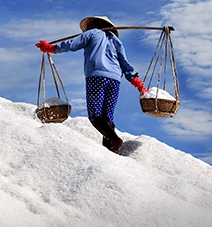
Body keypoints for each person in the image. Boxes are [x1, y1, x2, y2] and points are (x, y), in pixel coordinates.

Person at [35, 16, 147, 153]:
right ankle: (111, 150)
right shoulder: (116, 41)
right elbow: (125, 64)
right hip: (115, 80)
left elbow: (72, 44)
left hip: (97, 77)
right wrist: (138, 83)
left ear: (93, 24)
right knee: (107, 116)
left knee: (94, 114)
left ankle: (114, 140)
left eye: (88, 24)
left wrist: (51, 48)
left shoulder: (92, 33)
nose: (86, 27)